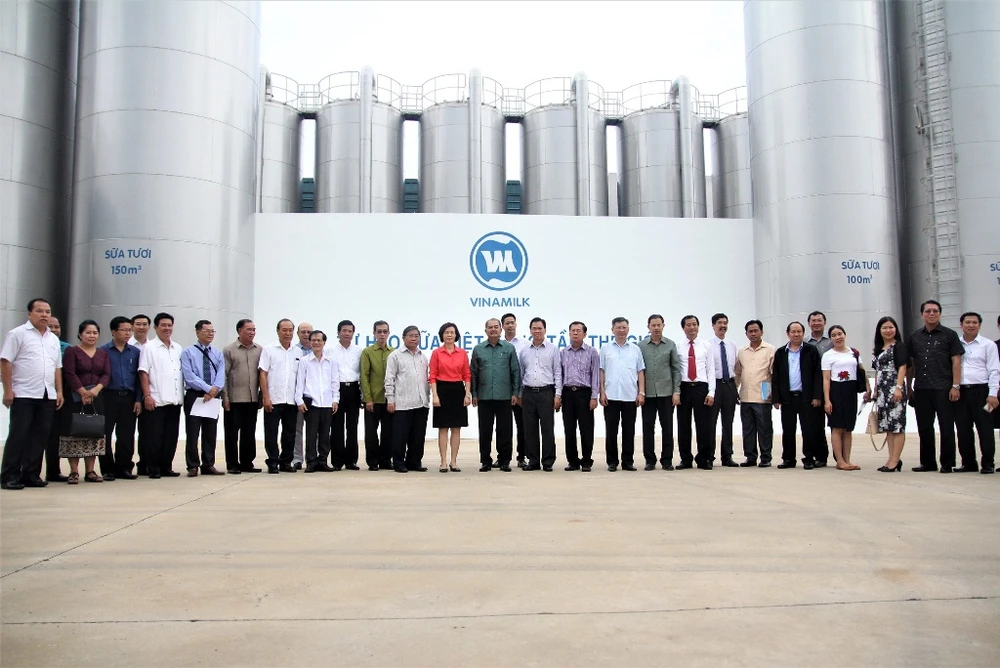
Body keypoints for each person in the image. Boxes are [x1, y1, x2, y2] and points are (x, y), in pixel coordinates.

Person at [1, 299, 64, 489]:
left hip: (47, 394)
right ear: (29, 314)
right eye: (39, 311)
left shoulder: (53, 339)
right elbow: (5, 361)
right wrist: (8, 390)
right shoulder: (17, 334)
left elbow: (57, 367)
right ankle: (9, 476)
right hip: (23, 393)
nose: (44, 315)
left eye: (47, 311)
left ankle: (31, 474)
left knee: (40, 437)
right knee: (19, 435)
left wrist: (59, 391)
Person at [908, 300, 964, 473]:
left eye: (935, 311)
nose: (931, 314)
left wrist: (955, 386)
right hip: (922, 388)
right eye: (928, 311)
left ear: (940, 314)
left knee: (946, 427)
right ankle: (928, 462)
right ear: (922, 314)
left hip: (943, 388)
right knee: (924, 427)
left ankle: (947, 463)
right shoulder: (915, 336)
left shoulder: (950, 335)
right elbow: (911, 363)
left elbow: (956, 361)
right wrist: (909, 386)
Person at [59, 320, 111, 484]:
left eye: (95, 333)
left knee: (93, 431)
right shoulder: (72, 351)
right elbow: (69, 373)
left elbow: (106, 374)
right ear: (80, 334)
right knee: (74, 432)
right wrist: (82, 392)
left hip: (96, 397)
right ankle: (74, 471)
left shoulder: (102, 353)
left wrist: (95, 391)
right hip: (75, 397)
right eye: (88, 332)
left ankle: (90, 471)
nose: (92, 336)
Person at [138, 312, 184, 478]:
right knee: (154, 437)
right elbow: (143, 372)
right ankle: (153, 468)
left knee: (171, 437)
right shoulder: (149, 347)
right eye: (163, 325)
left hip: (175, 400)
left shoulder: (177, 348)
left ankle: (166, 467)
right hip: (156, 400)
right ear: (156, 328)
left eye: (169, 325)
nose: (167, 328)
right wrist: (147, 396)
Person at [471, 318, 520, 473]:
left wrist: (515, 392)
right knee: (485, 430)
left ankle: (504, 461)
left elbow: (515, 371)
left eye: (496, 327)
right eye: (490, 327)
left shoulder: (509, 348)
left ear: (500, 329)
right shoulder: (478, 349)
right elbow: (474, 374)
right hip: (484, 397)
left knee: (505, 430)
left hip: (504, 396)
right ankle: (485, 461)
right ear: (485, 330)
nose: (493, 329)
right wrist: (474, 393)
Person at [772, 321, 823, 469]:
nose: (796, 334)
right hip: (787, 398)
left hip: (806, 397)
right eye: (793, 332)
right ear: (788, 334)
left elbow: (817, 375)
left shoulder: (810, 350)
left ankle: (809, 458)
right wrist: (776, 398)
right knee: (788, 430)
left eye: (799, 331)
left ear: (803, 333)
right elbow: (776, 376)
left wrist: (817, 396)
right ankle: (788, 459)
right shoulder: (781, 352)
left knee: (808, 430)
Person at [954, 312, 999, 474]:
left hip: (982, 391)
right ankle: (968, 463)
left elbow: (994, 370)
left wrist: (993, 393)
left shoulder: (988, 345)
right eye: (967, 322)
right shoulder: (955, 344)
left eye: (974, 322)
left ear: (979, 325)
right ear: (961, 324)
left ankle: (987, 463)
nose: (971, 325)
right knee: (963, 429)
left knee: (985, 428)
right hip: (961, 392)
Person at [600, 317, 646, 472]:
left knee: (629, 431)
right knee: (611, 431)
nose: (621, 330)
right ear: (612, 330)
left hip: (630, 396)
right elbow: (602, 372)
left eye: (624, 327)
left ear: (628, 329)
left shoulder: (635, 349)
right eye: (618, 327)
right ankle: (612, 462)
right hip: (611, 396)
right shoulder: (606, 349)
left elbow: (640, 372)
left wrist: (641, 392)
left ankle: (628, 462)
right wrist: (602, 392)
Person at [180, 320, 225, 477]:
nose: (210, 334)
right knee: (193, 432)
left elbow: (221, 374)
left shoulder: (217, 353)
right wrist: (207, 388)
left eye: (212, 331)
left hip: (213, 396)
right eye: (207, 331)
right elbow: (189, 375)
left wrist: (214, 390)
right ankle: (192, 465)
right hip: (195, 395)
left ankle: (208, 464)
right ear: (197, 332)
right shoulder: (188, 352)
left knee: (210, 432)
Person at [99, 316, 143, 480]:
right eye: (124, 330)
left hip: (129, 398)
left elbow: (138, 378)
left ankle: (124, 468)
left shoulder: (135, 352)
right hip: (108, 397)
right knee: (105, 434)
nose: (127, 333)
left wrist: (138, 399)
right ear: (113, 331)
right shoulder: (103, 351)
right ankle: (107, 469)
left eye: (129, 330)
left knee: (126, 435)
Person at [822, 325, 870, 471]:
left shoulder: (854, 352)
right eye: (834, 335)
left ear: (845, 334)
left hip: (851, 391)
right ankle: (840, 460)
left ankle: (847, 460)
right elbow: (826, 379)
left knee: (848, 428)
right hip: (836, 391)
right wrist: (827, 400)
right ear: (830, 339)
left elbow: (862, 371)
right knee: (837, 427)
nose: (838, 337)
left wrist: (868, 388)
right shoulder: (828, 355)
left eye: (840, 334)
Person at [517, 317, 562, 471]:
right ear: (530, 330)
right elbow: (521, 374)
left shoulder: (553, 350)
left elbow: (558, 373)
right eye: (534, 328)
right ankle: (533, 461)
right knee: (530, 429)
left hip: (546, 392)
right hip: (528, 393)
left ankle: (548, 462)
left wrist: (558, 395)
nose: (537, 331)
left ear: (545, 330)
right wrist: (520, 394)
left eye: (539, 328)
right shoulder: (524, 351)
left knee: (547, 429)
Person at [385, 325, 430, 473]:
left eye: (416, 336)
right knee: (400, 436)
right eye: (410, 335)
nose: (413, 338)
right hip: (402, 403)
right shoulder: (395, 356)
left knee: (418, 436)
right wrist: (390, 400)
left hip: (421, 402)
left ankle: (414, 462)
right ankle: (398, 462)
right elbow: (389, 379)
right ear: (403, 338)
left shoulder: (422, 356)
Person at [259, 319, 302, 474]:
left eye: (290, 330)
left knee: (289, 433)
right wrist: (266, 397)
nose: (287, 333)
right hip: (273, 399)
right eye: (284, 330)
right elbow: (263, 374)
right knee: (271, 432)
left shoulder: (298, 352)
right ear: (277, 331)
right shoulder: (269, 350)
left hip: (291, 400)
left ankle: (285, 462)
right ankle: (273, 462)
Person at [295, 330, 340, 472]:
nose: (316, 343)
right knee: (311, 434)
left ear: (324, 342)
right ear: (310, 342)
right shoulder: (304, 361)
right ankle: (311, 461)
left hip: (327, 402)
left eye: (319, 340)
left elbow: (335, 382)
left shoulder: (331, 361)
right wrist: (299, 400)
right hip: (311, 403)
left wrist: (335, 399)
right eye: (313, 340)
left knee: (325, 435)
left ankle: (323, 460)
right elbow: (300, 382)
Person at [222, 319, 262, 474]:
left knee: (249, 432)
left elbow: (263, 375)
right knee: (232, 433)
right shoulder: (229, 350)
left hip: (252, 399)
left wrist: (261, 396)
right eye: (249, 329)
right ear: (239, 331)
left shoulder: (259, 350)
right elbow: (223, 376)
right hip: (234, 399)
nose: (252, 332)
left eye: (254, 329)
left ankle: (247, 463)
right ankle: (232, 464)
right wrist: (225, 398)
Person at [430, 322, 471, 472]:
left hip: (458, 390)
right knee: (443, 428)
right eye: (446, 332)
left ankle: (454, 462)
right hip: (442, 390)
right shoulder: (437, 353)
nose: (449, 335)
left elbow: (467, 375)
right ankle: (443, 462)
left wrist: (467, 394)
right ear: (442, 335)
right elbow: (432, 375)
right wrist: (435, 395)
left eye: (452, 332)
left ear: (456, 335)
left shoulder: (462, 353)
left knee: (456, 428)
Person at [676, 315, 716, 470]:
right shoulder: (678, 346)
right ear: (683, 328)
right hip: (684, 388)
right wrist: (676, 391)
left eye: (694, 324)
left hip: (701, 387)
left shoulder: (706, 346)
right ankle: (685, 459)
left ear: (698, 326)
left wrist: (711, 392)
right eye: (688, 325)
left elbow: (711, 370)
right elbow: (675, 370)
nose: (692, 327)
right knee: (683, 425)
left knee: (703, 425)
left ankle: (704, 459)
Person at [735, 320, 776, 468]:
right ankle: (750, 457)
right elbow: (738, 373)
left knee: (764, 428)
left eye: (756, 331)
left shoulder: (770, 349)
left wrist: (772, 392)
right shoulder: (742, 351)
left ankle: (766, 457)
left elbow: (773, 373)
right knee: (748, 429)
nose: (753, 334)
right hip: (746, 396)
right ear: (746, 334)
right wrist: (735, 390)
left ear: (761, 332)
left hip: (763, 395)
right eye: (750, 331)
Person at [560, 321, 600, 472]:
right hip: (567, 393)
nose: (575, 333)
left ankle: (586, 461)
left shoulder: (592, 352)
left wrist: (594, 397)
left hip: (585, 394)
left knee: (586, 429)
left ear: (585, 334)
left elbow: (595, 375)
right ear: (569, 333)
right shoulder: (563, 352)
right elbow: (560, 375)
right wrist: (559, 395)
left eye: (578, 330)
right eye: (572, 330)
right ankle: (572, 461)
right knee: (569, 429)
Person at [870, 316, 908, 473]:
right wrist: (875, 389)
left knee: (897, 425)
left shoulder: (899, 346)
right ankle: (891, 458)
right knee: (888, 426)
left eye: (891, 327)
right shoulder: (879, 348)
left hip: (894, 389)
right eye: (884, 328)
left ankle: (895, 459)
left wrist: (898, 388)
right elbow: (877, 370)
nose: (888, 330)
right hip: (882, 392)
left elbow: (903, 367)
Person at [329, 320, 363, 471]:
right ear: (338, 332)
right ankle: (337, 461)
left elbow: (362, 373)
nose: (347, 333)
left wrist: (362, 394)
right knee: (336, 427)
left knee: (352, 426)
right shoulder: (330, 351)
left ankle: (351, 461)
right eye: (344, 330)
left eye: (350, 331)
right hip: (338, 389)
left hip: (354, 389)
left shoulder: (359, 351)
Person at [361, 320, 394, 471]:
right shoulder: (367, 352)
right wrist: (368, 398)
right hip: (373, 400)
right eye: (379, 331)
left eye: (384, 331)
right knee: (371, 434)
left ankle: (386, 460)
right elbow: (364, 376)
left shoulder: (394, 352)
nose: (382, 334)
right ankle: (373, 462)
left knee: (388, 432)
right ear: (374, 333)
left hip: (389, 400)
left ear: (388, 333)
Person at [41, 315, 71, 482]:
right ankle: (28, 470)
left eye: (57, 327)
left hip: (60, 396)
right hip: (39, 394)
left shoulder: (67, 349)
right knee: (37, 434)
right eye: (50, 326)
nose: (54, 330)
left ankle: (53, 471)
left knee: (55, 436)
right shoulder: (38, 344)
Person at [709, 313, 739, 467]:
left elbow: (736, 368)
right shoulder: (708, 345)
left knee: (728, 423)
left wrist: (735, 387)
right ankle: (709, 456)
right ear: (713, 325)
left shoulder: (732, 345)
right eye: (719, 323)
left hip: (729, 386)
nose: (723, 326)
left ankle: (727, 456)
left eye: (725, 323)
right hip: (715, 385)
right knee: (711, 423)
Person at [805, 310, 832, 466]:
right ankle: (821, 457)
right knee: (816, 425)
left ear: (824, 322)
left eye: (819, 320)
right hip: (813, 388)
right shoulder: (805, 342)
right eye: (813, 320)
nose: (816, 323)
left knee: (837, 425)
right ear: (809, 324)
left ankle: (841, 457)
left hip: (832, 386)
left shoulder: (832, 340)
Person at [501, 313, 528, 467]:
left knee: (522, 426)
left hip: (520, 393)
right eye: (507, 323)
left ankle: (521, 457)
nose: (510, 325)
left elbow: (525, 369)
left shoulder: (524, 344)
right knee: (503, 427)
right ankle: (503, 458)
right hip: (503, 393)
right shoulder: (498, 344)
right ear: (503, 326)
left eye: (512, 322)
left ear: (516, 325)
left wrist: (519, 393)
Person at [129, 314, 152, 476]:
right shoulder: (127, 345)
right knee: (127, 433)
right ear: (132, 326)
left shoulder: (152, 347)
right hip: (130, 395)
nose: (141, 327)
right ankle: (125, 465)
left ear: (149, 327)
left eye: (144, 324)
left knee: (146, 433)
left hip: (148, 396)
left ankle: (144, 464)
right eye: (138, 324)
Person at [291, 321, 313, 470]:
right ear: (298, 334)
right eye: (303, 332)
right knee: (297, 429)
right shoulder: (293, 351)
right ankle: (297, 459)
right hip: (297, 396)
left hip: (313, 397)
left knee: (313, 430)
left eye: (308, 332)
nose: (306, 335)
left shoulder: (319, 350)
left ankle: (313, 458)